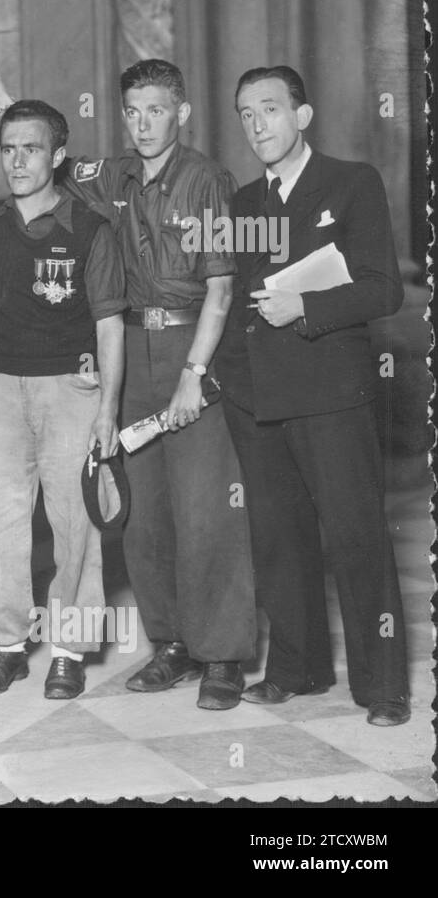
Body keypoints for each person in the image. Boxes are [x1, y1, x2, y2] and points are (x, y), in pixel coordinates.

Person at [0, 59, 255, 711]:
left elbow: (220, 286)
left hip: (190, 346)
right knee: (142, 511)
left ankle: (223, 654)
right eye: (133, 111)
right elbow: (52, 163)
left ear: (180, 113)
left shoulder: (209, 179)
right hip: (129, 346)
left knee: (206, 506)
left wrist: (194, 374)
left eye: (157, 109)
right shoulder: (119, 175)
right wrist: (8, 100)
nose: (144, 122)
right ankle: (171, 643)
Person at [217, 66, 409, 726]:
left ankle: (383, 687)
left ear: (303, 115)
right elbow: (226, 293)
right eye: (245, 113)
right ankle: (296, 666)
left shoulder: (352, 183)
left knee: (356, 537)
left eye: (269, 108)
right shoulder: (241, 205)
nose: (257, 124)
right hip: (254, 396)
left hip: (330, 388)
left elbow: (384, 287)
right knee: (277, 538)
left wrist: (307, 304)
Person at [0, 100, 125, 701]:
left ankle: (69, 649)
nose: (17, 161)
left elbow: (110, 324)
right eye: (7, 148)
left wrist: (108, 407)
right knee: (3, 520)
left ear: (58, 156)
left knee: (75, 522)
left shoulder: (89, 228)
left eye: (30, 148)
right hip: (2, 390)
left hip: (72, 388)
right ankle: (7, 645)